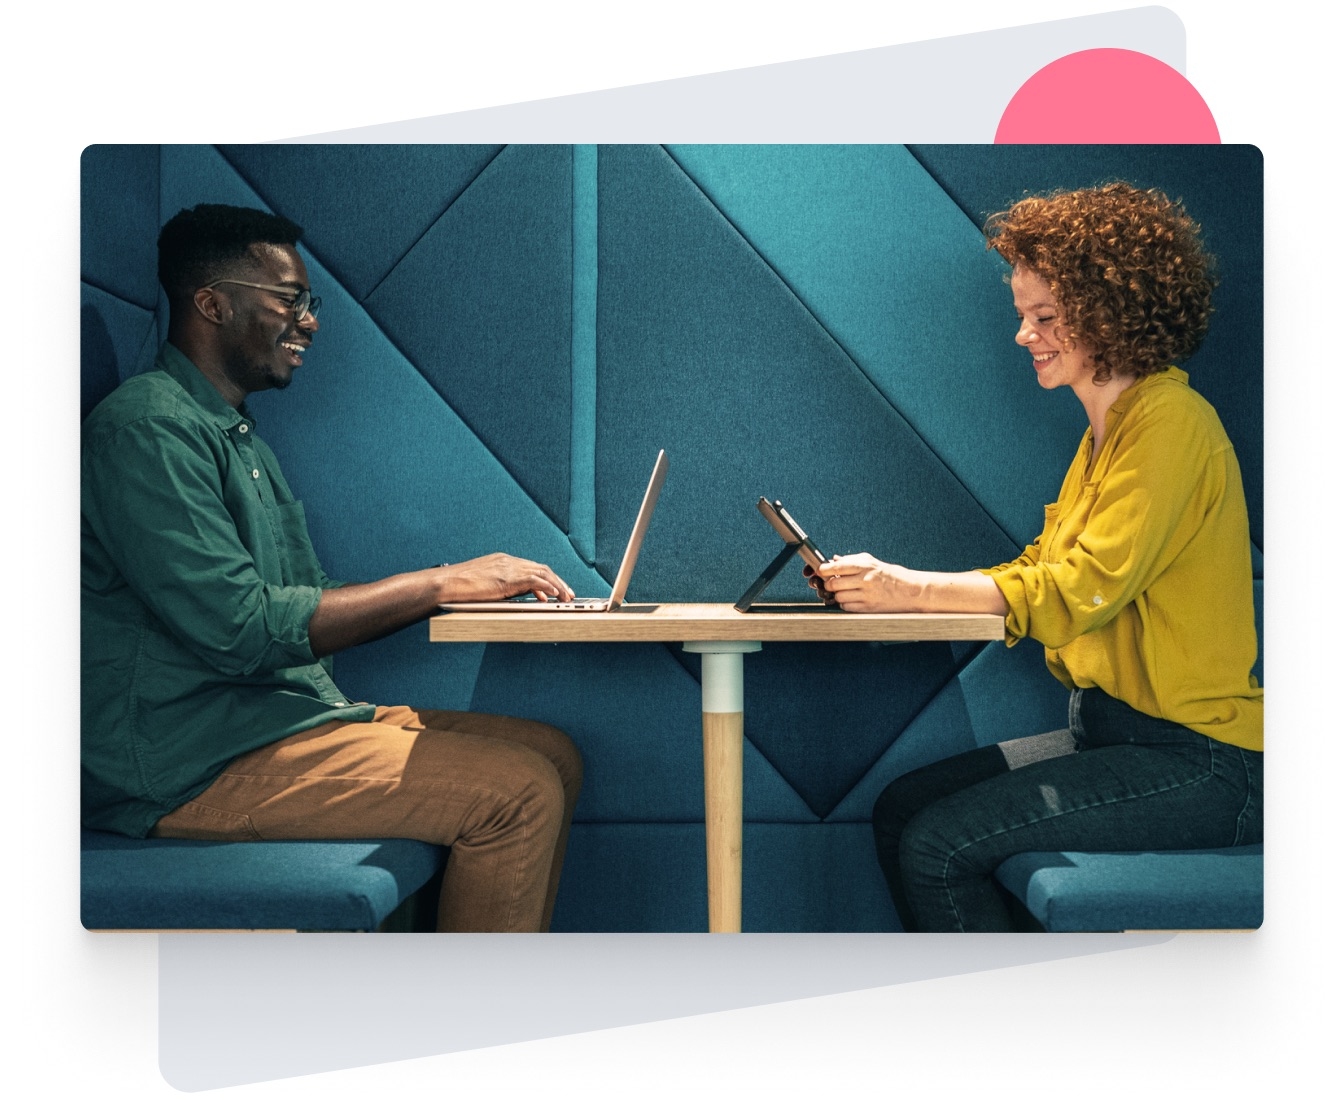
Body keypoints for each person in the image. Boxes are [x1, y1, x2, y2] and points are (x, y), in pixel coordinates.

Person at [82, 204, 583, 932]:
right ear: (212, 304)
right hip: (186, 761)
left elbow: (304, 597)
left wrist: (459, 592)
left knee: (553, 754)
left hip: (272, 721)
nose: (310, 321)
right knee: (519, 792)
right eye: (290, 300)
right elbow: (242, 627)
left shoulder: (239, 440)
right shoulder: (148, 428)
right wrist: (437, 584)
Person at [809, 182, 1263, 931]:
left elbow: (1078, 589)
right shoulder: (1107, 432)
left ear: (1110, 312)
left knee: (938, 846)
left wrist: (910, 589)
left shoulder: (1171, 423)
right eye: (1025, 315)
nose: (1025, 335)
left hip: (1202, 759)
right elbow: (1039, 569)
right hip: (1112, 736)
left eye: (1046, 317)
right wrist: (893, 586)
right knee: (903, 807)